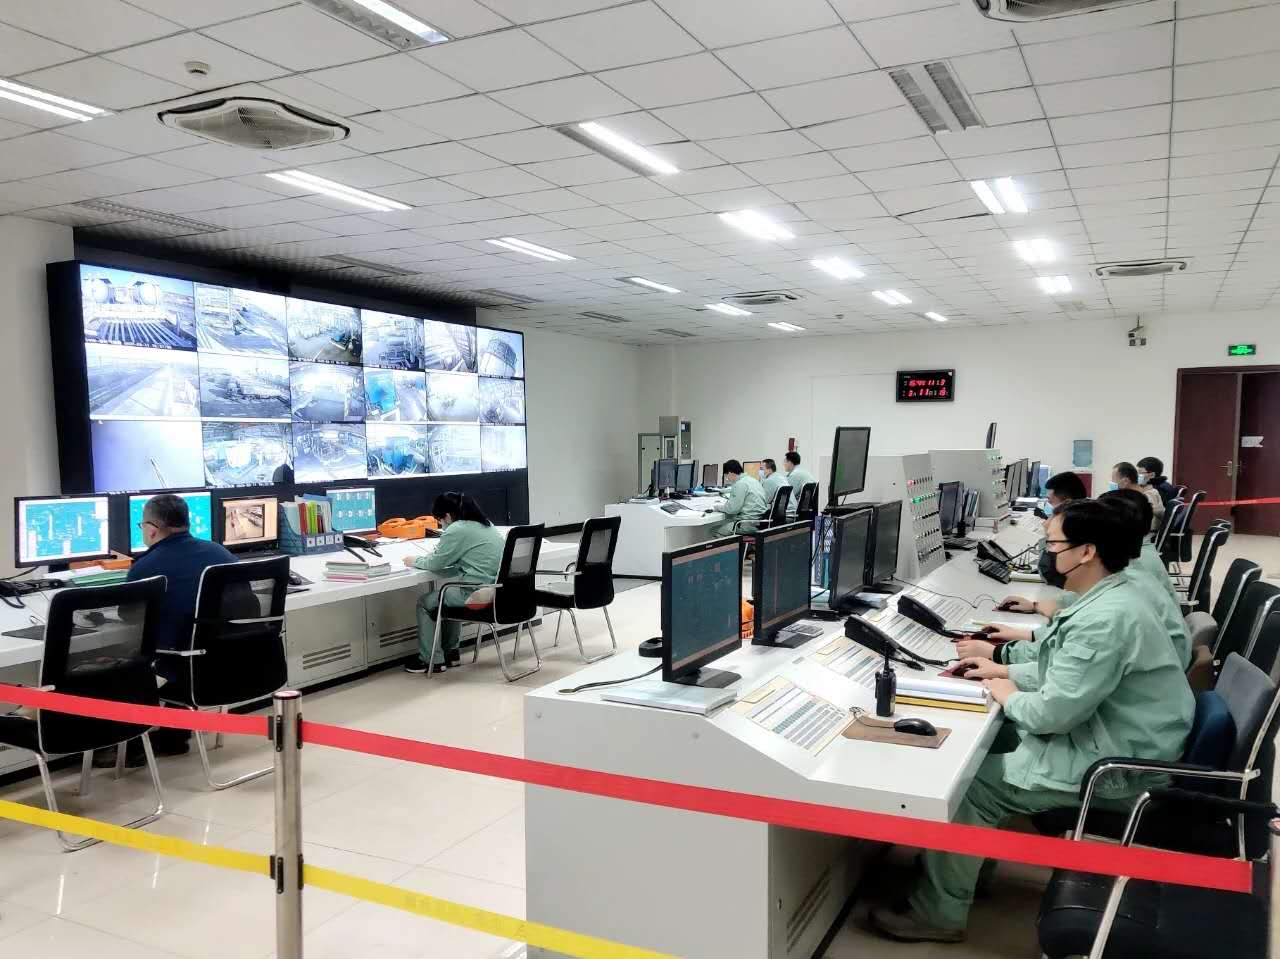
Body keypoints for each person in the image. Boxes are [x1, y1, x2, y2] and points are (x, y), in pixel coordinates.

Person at [872, 501, 1194, 942]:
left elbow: (1051, 714)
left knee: (972, 784)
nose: (1046, 552)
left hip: (1119, 767)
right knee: (998, 737)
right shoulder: (1111, 597)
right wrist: (1004, 671)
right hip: (1118, 737)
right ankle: (965, 869)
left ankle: (939, 914)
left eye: (1053, 544)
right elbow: (1064, 670)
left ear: (1087, 552)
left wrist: (1003, 690)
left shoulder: (1107, 618)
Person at [975, 491, 1190, 670]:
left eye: (1053, 543)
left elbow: (1064, 683)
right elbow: (1069, 644)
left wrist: (1002, 661)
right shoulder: (1124, 576)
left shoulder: (1110, 608)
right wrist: (1031, 621)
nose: (1049, 551)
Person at [123, 493, 238, 759]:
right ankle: (172, 734)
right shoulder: (220, 552)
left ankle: (125, 744)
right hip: (233, 664)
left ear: (152, 530)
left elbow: (129, 616)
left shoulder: (145, 567)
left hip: (186, 670)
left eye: (142, 525)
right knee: (181, 645)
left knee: (119, 660)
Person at [402, 492, 504, 674]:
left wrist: (413, 560)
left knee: (426, 603)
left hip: (475, 594)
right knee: (448, 596)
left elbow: (435, 563)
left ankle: (431, 660)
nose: (442, 525)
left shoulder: (457, 529)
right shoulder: (487, 525)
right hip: (498, 592)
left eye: (440, 520)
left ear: (448, 516)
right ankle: (451, 653)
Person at [711, 459, 767, 537]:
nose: (727, 479)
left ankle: (732, 545)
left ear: (730, 473)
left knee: (713, 530)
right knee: (728, 524)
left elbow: (733, 509)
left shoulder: (739, 484)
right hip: (759, 521)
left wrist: (717, 507)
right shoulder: (753, 480)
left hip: (746, 524)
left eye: (726, 476)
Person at [1112, 461, 1164, 532]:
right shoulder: (1138, 494)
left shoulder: (1146, 496)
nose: (1111, 482)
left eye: (1113, 479)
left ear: (1125, 481)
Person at [782, 451, 816, 516]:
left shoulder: (794, 475)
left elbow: (787, 496)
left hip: (798, 512)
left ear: (790, 462)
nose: (784, 464)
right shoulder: (805, 472)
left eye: (785, 462)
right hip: (808, 511)